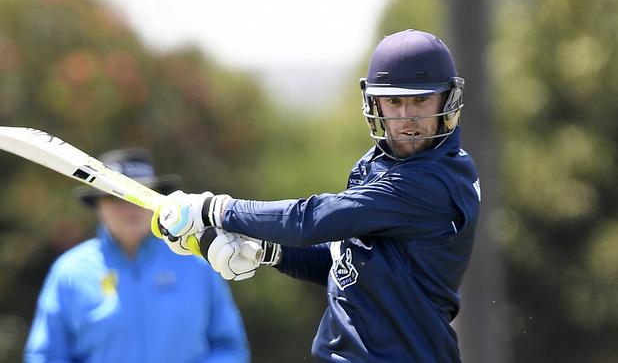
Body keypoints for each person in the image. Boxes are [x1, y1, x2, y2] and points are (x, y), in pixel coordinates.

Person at [153, 29, 481, 363]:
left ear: (447, 99)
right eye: (394, 101)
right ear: (375, 103)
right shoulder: (378, 165)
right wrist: (271, 252)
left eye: (421, 99)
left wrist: (216, 210)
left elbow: (310, 220)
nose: (407, 117)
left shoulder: (434, 181)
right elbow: (350, 265)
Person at [24, 148, 250, 363]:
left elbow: (229, 348)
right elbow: (46, 354)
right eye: (117, 197)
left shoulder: (197, 265)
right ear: (98, 206)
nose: (131, 208)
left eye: (140, 195)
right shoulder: (70, 271)